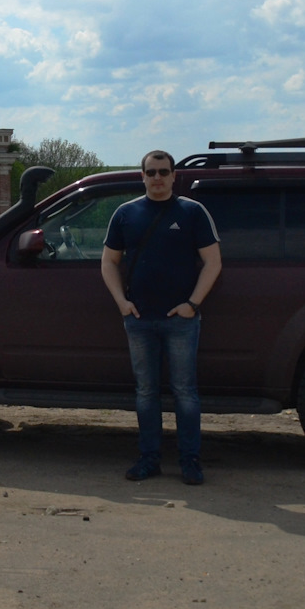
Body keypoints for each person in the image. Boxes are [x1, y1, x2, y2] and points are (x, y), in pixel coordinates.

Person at [101, 149, 222, 487]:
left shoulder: (193, 212)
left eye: (163, 172)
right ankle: (149, 459)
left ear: (173, 176)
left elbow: (213, 262)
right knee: (146, 392)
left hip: (181, 320)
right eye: (151, 172)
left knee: (185, 392)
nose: (157, 178)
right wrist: (122, 303)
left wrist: (192, 304)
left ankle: (190, 461)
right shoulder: (126, 214)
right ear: (142, 176)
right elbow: (108, 262)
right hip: (138, 319)